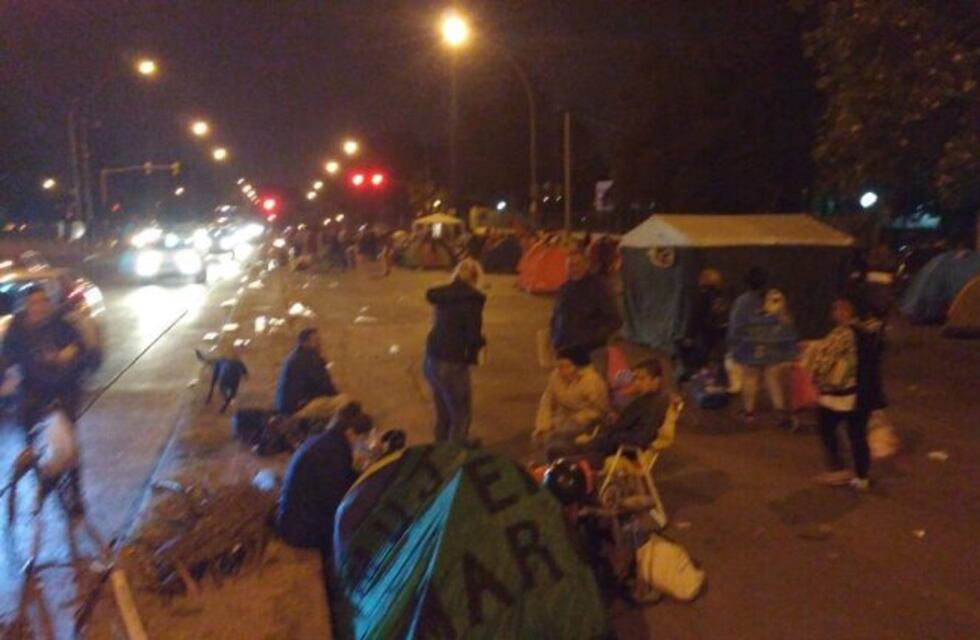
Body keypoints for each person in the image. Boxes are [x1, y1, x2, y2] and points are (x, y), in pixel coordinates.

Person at [805, 297, 882, 490]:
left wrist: (812, 371)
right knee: (857, 436)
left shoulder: (841, 334)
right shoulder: (866, 331)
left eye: (840, 309)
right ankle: (861, 478)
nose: (836, 313)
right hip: (861, 395)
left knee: (826, 429)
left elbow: (824, 363)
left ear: (848, 312)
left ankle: (839, 470)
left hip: (836, 395)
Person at [276, 404, 374, 553]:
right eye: (362, 438)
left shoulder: (325, 440)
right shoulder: (333, 455)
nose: (363, 444)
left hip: (291, 519)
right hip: (301, 532)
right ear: (350, 433)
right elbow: (337, 505)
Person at [550, 359, 671, 468]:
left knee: (560, 459)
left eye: (642, 378)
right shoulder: (643, 400)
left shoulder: (655, 405)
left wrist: (606, 439)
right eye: (635, 378)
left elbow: (641, 437)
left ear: (656, 381)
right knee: (556, 448)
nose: (637, 382)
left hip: (614, 452)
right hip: (604, 446)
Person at [1, 285, 85, 435]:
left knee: (65, 437)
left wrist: (70, 351)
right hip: (32, 390)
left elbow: (78, 344)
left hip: (63, 389)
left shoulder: (58, 323)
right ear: (26, 305)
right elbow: (10, 356)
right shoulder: (17, 328)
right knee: (33, 434)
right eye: (33, 303)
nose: (39, 307)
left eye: (42, 302)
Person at [423, 258, 486, 444]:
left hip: (431, 359)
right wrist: (478, 349)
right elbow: (473, 336)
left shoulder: (443, 294)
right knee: (461, 412)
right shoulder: (473, 300)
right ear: (475, 278)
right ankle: (454, 455)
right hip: (452, 362)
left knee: (443, 410)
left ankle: (440, 449)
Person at [727, 269, 797, 424]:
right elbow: (785, 321)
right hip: (772, 343)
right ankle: (780, 411)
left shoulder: (742, 301)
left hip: (750, 344)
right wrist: (787, 344)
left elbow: (735, 324)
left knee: (750, 378)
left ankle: (749, 413)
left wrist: (734, 342)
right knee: (773, 378)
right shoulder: (775, 297)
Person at [533, 346, 610, 445]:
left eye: (567, 366)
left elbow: (601, 409)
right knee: (543, 435)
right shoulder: (555, 377)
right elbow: (547, 401)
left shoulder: (591, 381)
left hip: (586, 419)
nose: (562, 370)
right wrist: (543, 426)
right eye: (559, 366)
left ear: (577, 366)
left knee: (559, 435)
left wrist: (581, 417)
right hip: (564, 416)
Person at [550, 248, 621, 354]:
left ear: (586, 264)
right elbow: (556, 315)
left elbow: (614, 319)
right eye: (570, 265)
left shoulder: (598, 288)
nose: (574, 268)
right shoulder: (564, 288)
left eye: (578, 264)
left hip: (589, 349)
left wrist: (594, 338)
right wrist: (554, 336)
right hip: (564, 346)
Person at [275, 328, 351, 419]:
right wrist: (336, 395)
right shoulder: (308, 358)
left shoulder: (297, 356)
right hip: (299, 408)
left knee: (337, 402)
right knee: (345, 401)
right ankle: (336, 432)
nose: (320, 344)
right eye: (316, 340)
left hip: (291, 407)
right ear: (305, 342)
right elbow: (324, 385)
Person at [678, 268, 728, 381]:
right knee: (713, 361)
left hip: (704, 333)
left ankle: (700, 382)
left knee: (699, 361)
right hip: (720, 334)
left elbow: (694, 315)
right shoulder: (722, 295)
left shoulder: (701, 296)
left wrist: (689, 335)